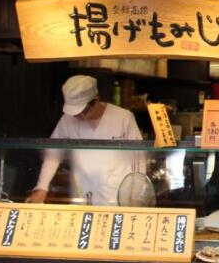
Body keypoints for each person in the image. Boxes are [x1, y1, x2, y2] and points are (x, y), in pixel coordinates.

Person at [26, 75, 144, 206]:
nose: (78, 116)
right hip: (82, 195)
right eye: (74, 112)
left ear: (96, 100)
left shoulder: (123, 117)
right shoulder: (67, 120)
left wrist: (137, 193)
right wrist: (41, 187)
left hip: (120, 196)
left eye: (82, 111)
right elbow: (53, 155)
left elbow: (138, 157)